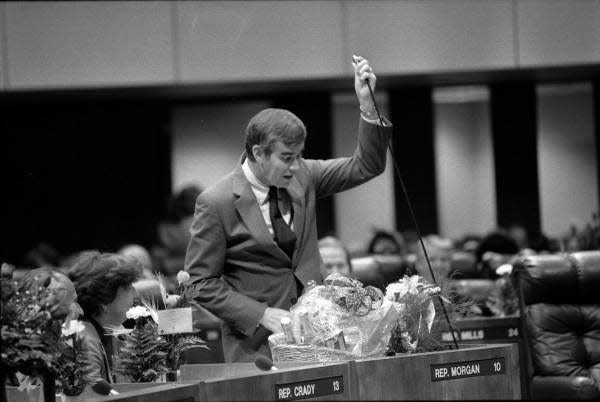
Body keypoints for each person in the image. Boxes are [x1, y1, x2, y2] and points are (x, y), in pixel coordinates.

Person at [184, 56, 392, 362]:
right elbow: (199, 283)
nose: (296, 166)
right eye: (286, 157)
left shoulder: (304, 175)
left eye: (299, 156)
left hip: (321, 340)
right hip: (256, 347)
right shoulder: (216, 202)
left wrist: (368, 106)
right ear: (258, 153)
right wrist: (261, 313)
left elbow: (367, 165)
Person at [67, 251, 142, 388]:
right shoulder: (85, 341)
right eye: (127, 287)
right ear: (105, 301)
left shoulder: (104, 331)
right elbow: (92, 395)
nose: (134, 292)